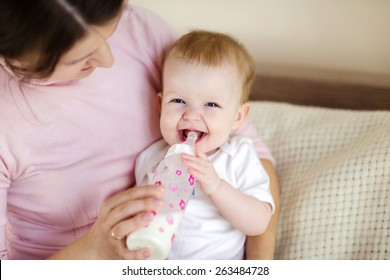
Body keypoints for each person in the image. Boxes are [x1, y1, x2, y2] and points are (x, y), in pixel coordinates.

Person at [0, 0, 279, 260]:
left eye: (110, 33)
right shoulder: (151, 159)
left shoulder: (140, 29)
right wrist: (93, 249)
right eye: (78, 57)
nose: (109, 60)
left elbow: (245, 141)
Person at [135, 30, 275, 259]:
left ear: (238, 117)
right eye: (178, 101)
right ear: (160, 104)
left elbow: (259, 222)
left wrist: (216, 186)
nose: (191, 115)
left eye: (211, 104)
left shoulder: (238, 155)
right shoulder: (150, 159)